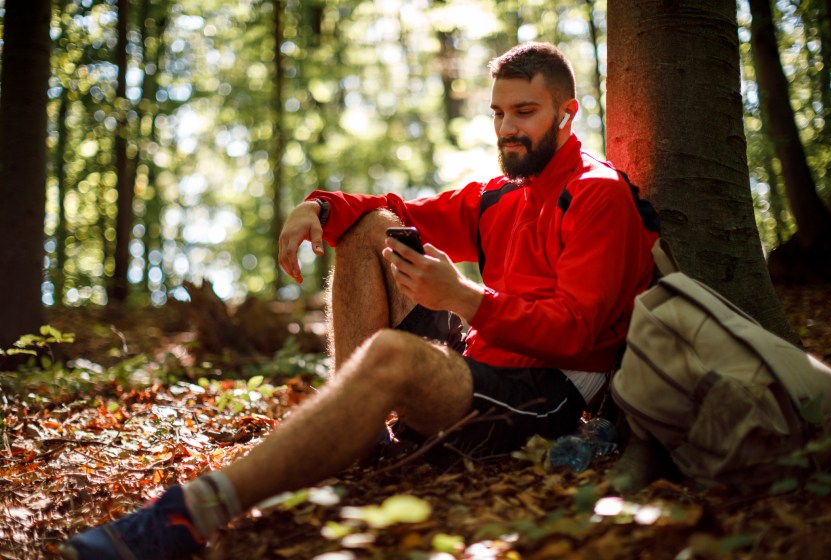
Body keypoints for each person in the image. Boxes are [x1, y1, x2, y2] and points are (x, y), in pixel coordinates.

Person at [61, 42, 659, 560]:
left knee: (393, 355)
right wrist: (319, 209)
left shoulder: (597, 195)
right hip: (481, 356)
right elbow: (395, 212)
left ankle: (188, 514)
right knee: (370, 226)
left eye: (525, 112)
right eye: (498, 113)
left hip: (542, 396)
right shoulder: (499, 195)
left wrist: (465, 299)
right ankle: (360, 433)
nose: (507, 128)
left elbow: (578, 333)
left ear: (566, 112)